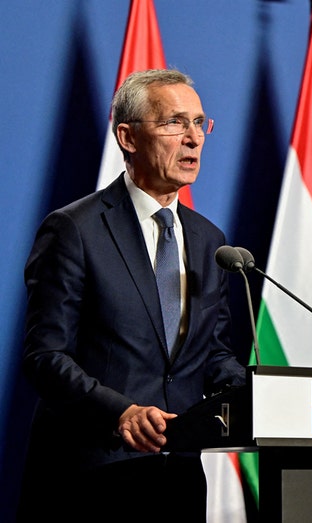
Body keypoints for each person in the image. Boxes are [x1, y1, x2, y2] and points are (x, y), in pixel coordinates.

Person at [18, 69, 245, 522]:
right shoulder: (75, 230)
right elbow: (45, 355)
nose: (193, 139)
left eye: (200, 123)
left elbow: (210, 355)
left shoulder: (209, 241)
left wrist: (263, 392)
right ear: (128, 136)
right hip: (90, 474)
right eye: (174, 123)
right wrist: (120, 413)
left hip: (177, 477)